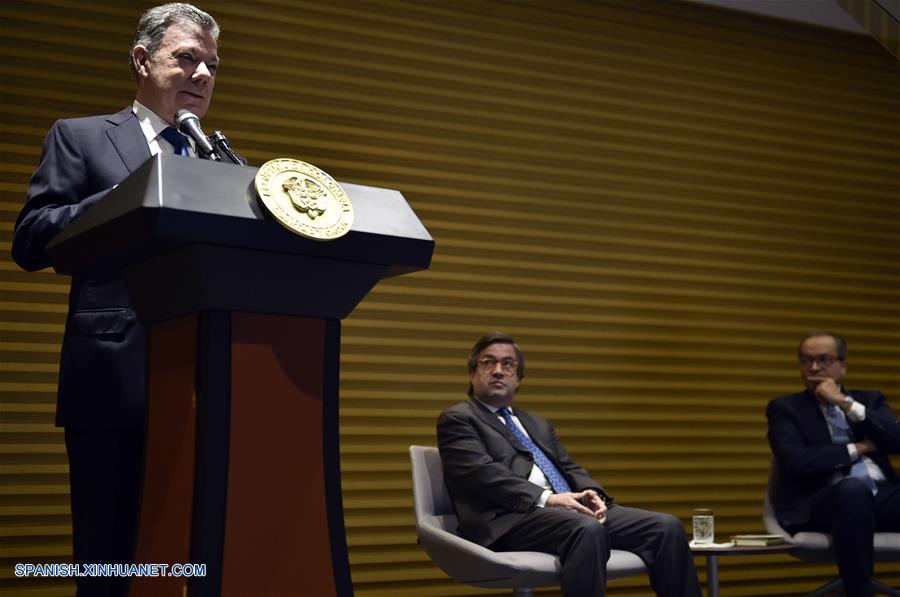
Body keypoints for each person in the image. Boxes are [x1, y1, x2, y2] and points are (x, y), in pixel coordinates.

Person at [10, 4, 224, 595]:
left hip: (206, 383)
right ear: (142, 59)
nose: (202, 75)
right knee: (108, 559)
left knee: (185, 555)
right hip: (112, 378)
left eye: (211, 64)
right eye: (187, 58)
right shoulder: (80, 137)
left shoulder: (217, 159)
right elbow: (31, 239)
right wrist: (130, 196)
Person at [437, 333, 702, 597]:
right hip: (509, 519)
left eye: (508, 364)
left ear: (519, 379)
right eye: (488, 363)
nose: (498, 371)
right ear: (472, 374)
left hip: (568, 512)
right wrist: (549, 499)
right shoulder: (458, 419)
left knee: (666, 528)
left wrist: (593, 495)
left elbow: (569, 467)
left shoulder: (537, 423)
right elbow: (483, 474)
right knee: (586, 529)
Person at [767, 331, 900, 597]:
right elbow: (798, 461)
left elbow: (895, 441)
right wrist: (859, 447)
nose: (813, 368)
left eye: (823, 360)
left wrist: (844, 403)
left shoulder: (870, 401)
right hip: (821, 502)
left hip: (882, 498)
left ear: (843, 365)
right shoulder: (785, 409)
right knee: (853, 490)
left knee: (862, 492)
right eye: (806, 361)